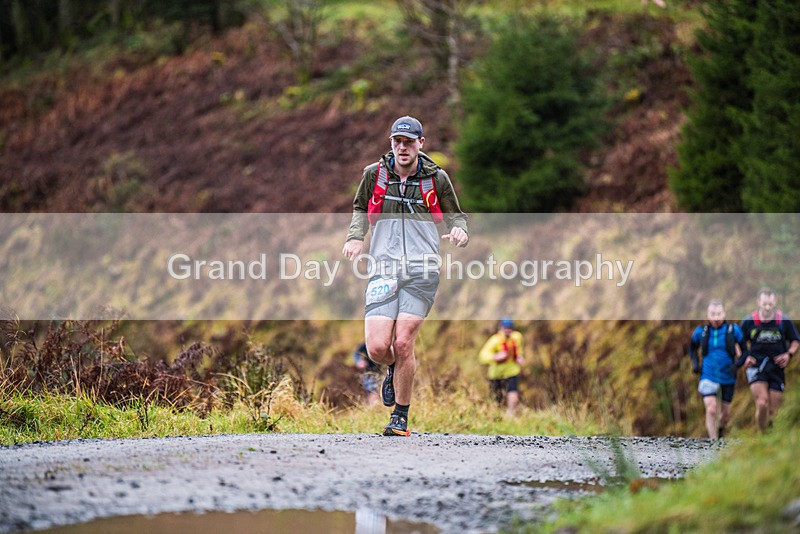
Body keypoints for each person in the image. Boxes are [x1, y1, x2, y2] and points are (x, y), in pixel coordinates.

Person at [342, 115, 469, 436]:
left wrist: (459, 231)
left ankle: (400, 416)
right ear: (391, 143)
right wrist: (355, 237)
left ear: (420, 144)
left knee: (403, 340)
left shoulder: (436, 179)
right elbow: (360, 208)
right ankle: (394, 370)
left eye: (409, 142)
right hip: (383, 268)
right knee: (376, 348)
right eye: (397, 141)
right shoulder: (374, 175)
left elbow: (456, 215)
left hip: (422, 269)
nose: (403, 147)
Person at [737, 287, 799, 431]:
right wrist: (744, 357)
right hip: (756, 366)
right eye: (764, 304)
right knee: (762, 402)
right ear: (758, 302)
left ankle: (768, 436)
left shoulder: (783, 321)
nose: (767, 307)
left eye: (770, 304)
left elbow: (795, 341)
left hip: (777, 368)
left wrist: (788, 354)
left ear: (775, 302)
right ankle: (762, 434)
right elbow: (737, 342)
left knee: (773, 410)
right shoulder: (749, 321)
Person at [688, 299, 743, 439]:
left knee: (725, 416)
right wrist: (695, 364)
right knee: (711, 409)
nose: (716, 318)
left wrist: (737, 365)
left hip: (728, 376)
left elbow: (746, 351)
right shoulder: (701, 332)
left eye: (719, 314)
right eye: (712, 314)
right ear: (707, 315)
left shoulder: (734, 330)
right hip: (708, 375)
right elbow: (692, 348)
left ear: (724, 314)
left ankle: (720, 430)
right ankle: (713, 443)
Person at [479, 318, 525, 417]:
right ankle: (496, 416)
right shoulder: (495, 340)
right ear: (501, 328)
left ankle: (510, 415)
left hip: (512, 371)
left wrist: (520, 357)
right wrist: (495, 357)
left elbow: (519, 349)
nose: (508, 330)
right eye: (506, 328)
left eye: (510, 328)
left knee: (513, 394)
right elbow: (482, 356)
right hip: (496, 374)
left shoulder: (517, 337)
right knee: (496, 398)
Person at [353, 341, 381, 406]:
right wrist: (359, 361)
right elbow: (357, 353)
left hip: (382, 370)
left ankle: (376, 403)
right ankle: (374, 404)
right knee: (372, 388)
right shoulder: (367, 344)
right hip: (369, 372)